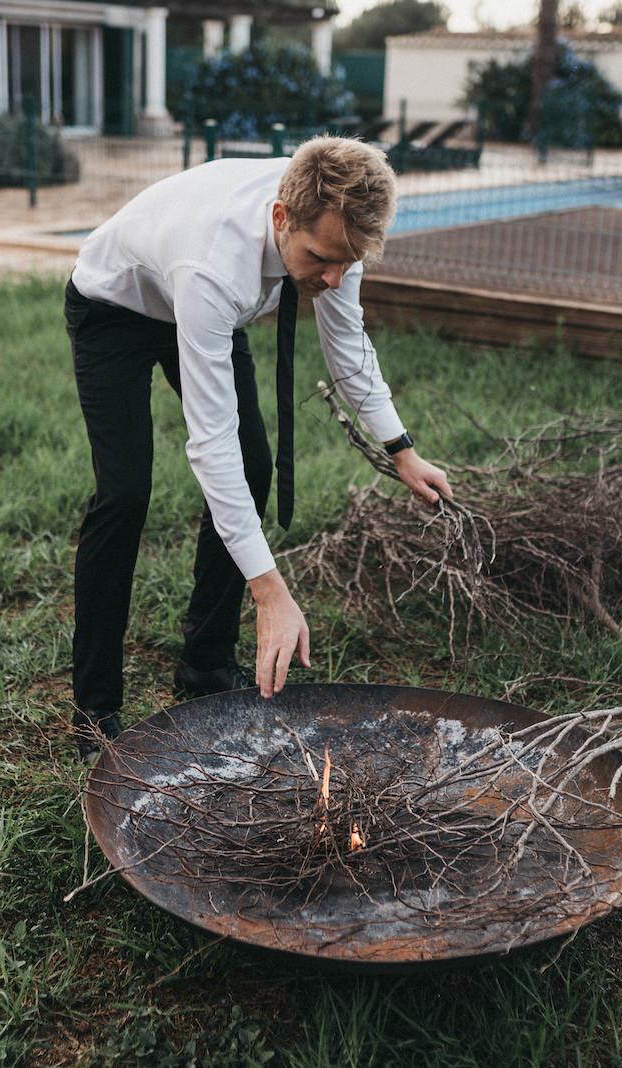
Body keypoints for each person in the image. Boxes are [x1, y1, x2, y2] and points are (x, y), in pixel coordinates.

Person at [65, 136, 452, 760]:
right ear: (281, 218)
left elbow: (347, 347)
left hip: (200, 307)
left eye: (347, 265)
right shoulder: (212, 264)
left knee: (255, 465)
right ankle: (96, 710)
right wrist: (269, 590)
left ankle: (204, 666)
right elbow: (208, 443)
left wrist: (401, 450)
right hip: (116, 308)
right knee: (126, 492)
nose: (332, 277)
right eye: (321, 258)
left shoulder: (334, 217)